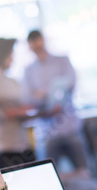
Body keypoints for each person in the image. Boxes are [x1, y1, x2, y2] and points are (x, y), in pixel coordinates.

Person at [23, 29, 89, 173]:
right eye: (33, 43)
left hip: (70, 127)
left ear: (44, 40)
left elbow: (70, 83)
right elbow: (28, 98)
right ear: (29, 46)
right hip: (47, 133)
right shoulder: (28, 70)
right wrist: (52, 89)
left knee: (83, 171)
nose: (36, 46)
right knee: (50, 174)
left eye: (38, 41)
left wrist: (42, 92)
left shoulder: (62, 60)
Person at [0, 38, 36, 169]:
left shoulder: (13, 81)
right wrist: (19, 111)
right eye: (11, 54)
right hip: (4, 148)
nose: (13, 58)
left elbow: (25, 107)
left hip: (24, 144)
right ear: (2, 55)